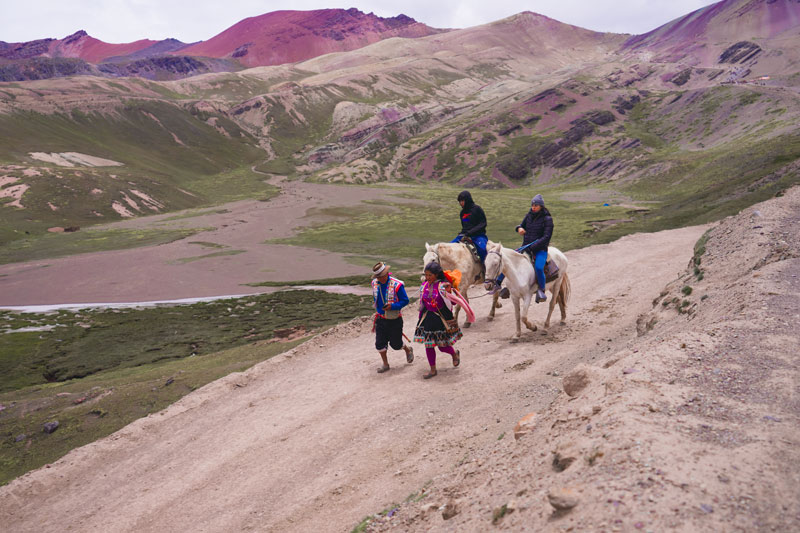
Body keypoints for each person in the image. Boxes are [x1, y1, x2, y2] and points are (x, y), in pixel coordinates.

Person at [414, 262, 462, 379]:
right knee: (429, 345)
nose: (427, 277)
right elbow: (423, 303)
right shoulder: (424, 286)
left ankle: (454, 354)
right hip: (428, 319)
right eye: (426, 275)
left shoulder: (443, 286)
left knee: (442, 346)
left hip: (441, 320)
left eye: (430, 275)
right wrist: (420, 320)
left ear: (436, 275)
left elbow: (454, 302)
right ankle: (433, 370)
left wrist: (450, 292)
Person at [371, 261, 414, 373]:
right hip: (380, 319)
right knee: (380, 343)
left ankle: (407, 349)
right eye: (378, 277)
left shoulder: (397, 285)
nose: (379, 279)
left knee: (396, 344)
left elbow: (405, 300)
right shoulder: (374, 284)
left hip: (395, 320)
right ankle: (385, 364)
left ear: (386, 274)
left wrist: (393, 306)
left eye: (381, 276)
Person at [515, 194, 554, 303]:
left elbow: (546, 237)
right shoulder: (529, 216)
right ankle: (501, 285)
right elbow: (520, 225)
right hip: (526, 248)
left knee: (538, 268)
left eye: (536, 205)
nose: (533, 207)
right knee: (511, 260)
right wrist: (519, 229)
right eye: (532, 205)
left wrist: (533, 246)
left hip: (540, 250)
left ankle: (541, 291)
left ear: (541, 206)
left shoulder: (547, 219)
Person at [451, 190, 488, 264]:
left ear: (467, 200)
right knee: (449, 247)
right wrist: (463, 233)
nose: (460, 203)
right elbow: (465, 226)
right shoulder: (462, 213)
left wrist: (470, 232)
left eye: (462, 201)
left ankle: (486, 268)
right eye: (459, 201)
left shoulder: (477, 209)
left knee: (483, 249)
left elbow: (483, 223)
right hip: (465, 235)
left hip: (478, 235)